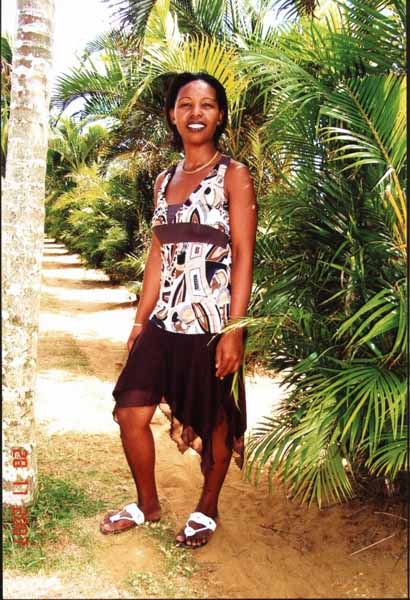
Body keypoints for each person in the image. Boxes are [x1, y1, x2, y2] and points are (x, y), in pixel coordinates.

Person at [100, 71, 257, 548]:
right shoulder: (163, 180)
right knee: (130, 411)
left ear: (220, 115)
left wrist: (234, 330)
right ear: (172, 115)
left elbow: (244, 255)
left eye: (206, 105)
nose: (195, 113)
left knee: (215, 419)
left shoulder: (233, 175)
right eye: (185, 104)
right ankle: (147, 504)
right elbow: (158, 255)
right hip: (165, 320)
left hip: (212, 323)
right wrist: (140, 319)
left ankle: (207, 507)